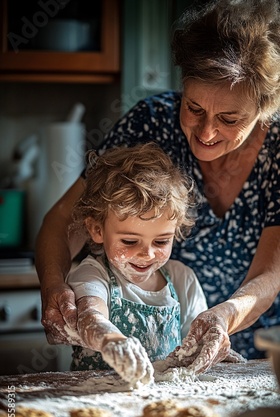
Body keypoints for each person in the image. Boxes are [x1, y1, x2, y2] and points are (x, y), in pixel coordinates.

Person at [35, 0, 280, 375]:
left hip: (259, 356)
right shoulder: (151, 124)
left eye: (229, 118)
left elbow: (271, 273)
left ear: (263, 109)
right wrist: (55, 288)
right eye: (194, 107)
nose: (206, 131)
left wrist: (223, 318)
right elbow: (66, 220)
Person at [61, 142, 208, 383]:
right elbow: (91, 316)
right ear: (97, 230)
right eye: (130, 241)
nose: (147, 254)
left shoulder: (183, 280)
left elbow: (197, 343)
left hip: (165, 400)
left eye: (161, 241)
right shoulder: (92, 274)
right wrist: (110, 340)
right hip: (97, 398)